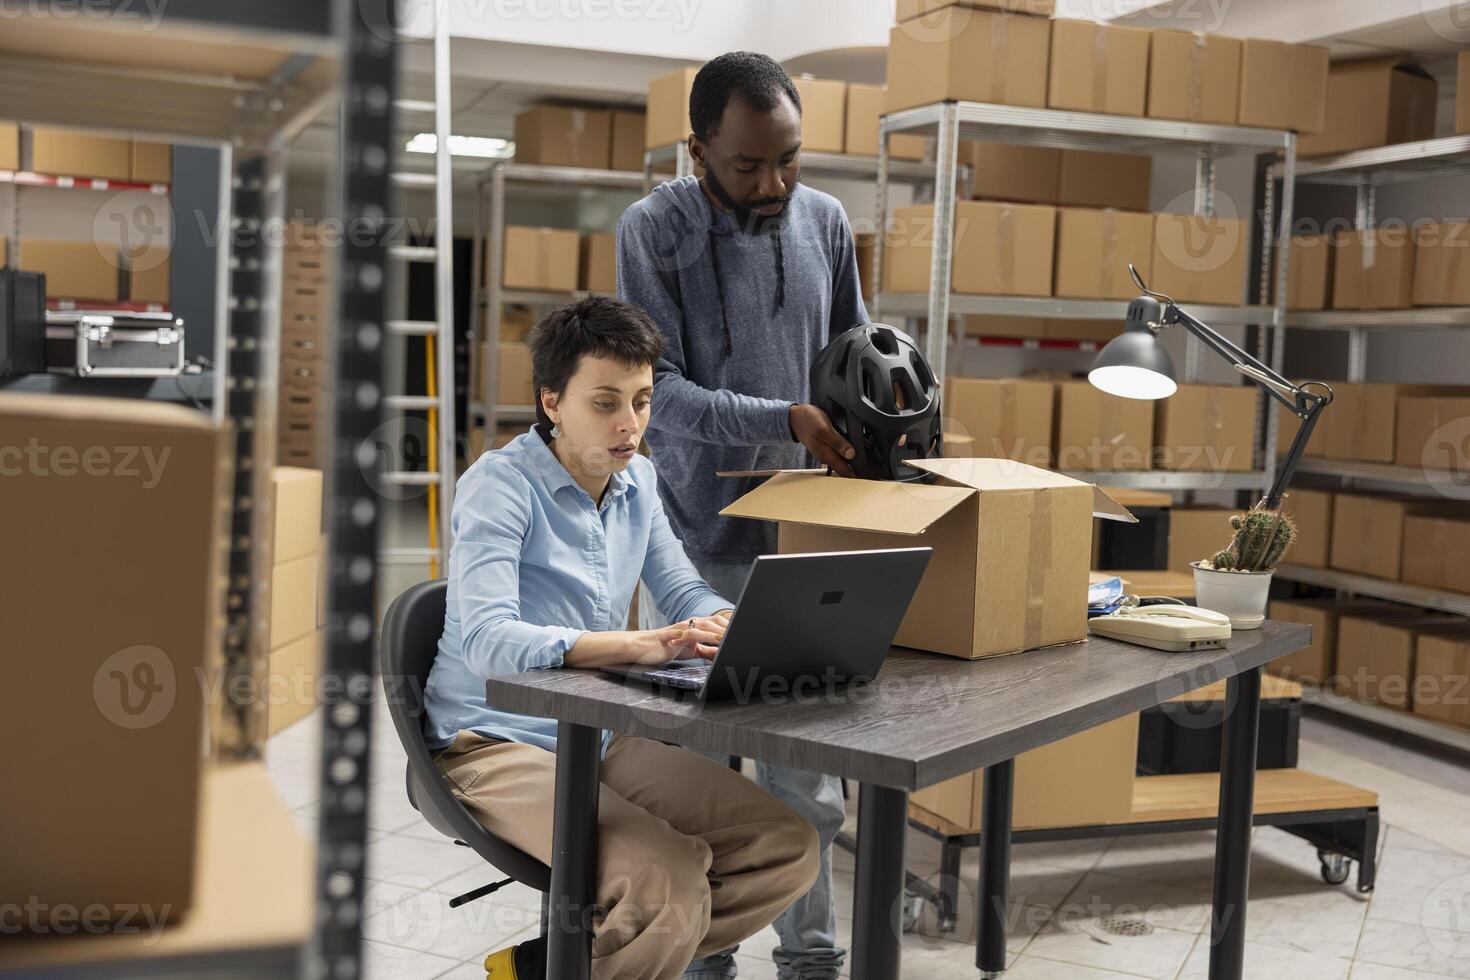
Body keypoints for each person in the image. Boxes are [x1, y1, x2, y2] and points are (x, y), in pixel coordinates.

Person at [424, 296, 820, 980]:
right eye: (605, 403)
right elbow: (488, 642)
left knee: (785, 845)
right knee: (664, 884)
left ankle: (550, 967)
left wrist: (731, 622)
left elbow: (683, 589)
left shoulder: (637, 479)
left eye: (641, 401)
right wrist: (628, 647)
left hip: (595, 732)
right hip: (491, 741)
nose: (629, 424)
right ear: (552, 402)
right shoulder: (501, 485)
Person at [616, 51, 867, 980]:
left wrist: (886, 411)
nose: (774, 184)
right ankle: (708, 957)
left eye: (789, 160)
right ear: (697, 151)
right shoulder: (654, 231)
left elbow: (850, 357)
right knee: (706, 776)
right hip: (699, 537)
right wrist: (784, 420)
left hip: (809, 534)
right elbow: (660, 395)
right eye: (747, 167)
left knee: (808, 770)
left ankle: (812, 962)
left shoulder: (827, 221)